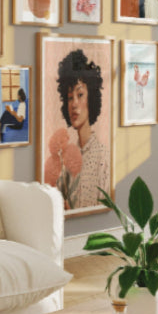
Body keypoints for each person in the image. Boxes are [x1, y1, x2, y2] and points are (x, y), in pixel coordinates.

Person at [56, 49, 109, 209]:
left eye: (80, 95)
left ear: (91, 97)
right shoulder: (66, 158)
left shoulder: (103, 156)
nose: (74, 104)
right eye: (70, 97)